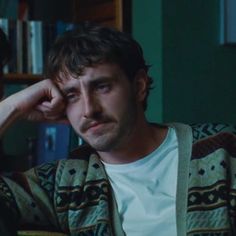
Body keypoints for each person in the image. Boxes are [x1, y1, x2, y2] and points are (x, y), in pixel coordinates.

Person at [0, 22, 236, 236]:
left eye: (102, 87)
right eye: (71, 95)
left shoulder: (221, 151)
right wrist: (12, 107)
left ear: (139, 86)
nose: (89, 110)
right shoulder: (66, 181)